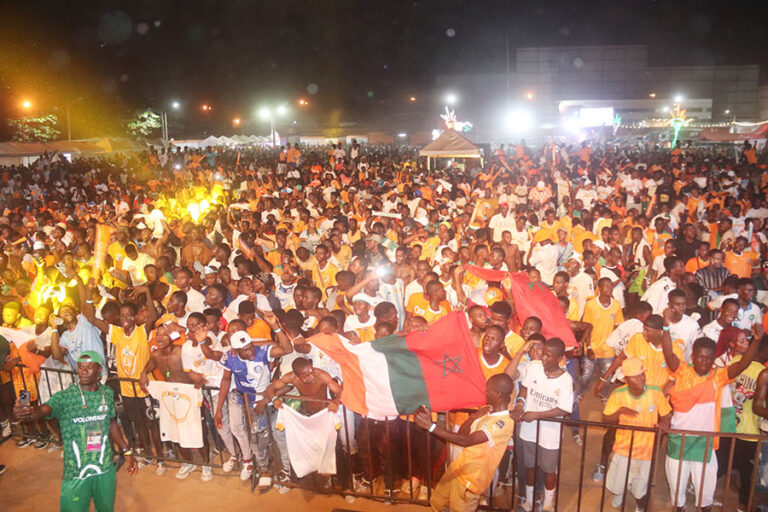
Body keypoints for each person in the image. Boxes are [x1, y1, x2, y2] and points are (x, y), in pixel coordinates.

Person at [13, 351, 137, 511]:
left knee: (106, 508)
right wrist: (26, 413)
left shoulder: (106, 393)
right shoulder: (66, 397)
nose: (83, 371)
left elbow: (111, 421)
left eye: (89, 367)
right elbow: (42, 410)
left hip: (104, 467)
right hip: (76, 472)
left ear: (99, 370)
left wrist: (126, 451)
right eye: (80, 367)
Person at [660, 331, 761, 512]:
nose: (703, 362)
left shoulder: (718, 376)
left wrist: (757, 340)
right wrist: (666, 328)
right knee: (677, 492)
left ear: (713, 358)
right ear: (693, 356)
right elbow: (668, 354)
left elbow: (744, 363)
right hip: (678, 442)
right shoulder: (682, 371)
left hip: (704, 445)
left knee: (705, 495)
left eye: (708, 358)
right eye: (700, 357)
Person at [413, 373, 515, 512]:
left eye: (488, 390)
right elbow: (462, 434)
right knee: (437, 503)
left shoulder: (503, 423)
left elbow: (466, 441)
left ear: (498, 394)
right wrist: (472, 418)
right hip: (458, 469)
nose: (484, 392)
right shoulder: (487, 413)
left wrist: (430, 427)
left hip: (471, 481)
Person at [602, 357, 671, 512]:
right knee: (619, 480)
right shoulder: (618, 394)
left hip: (646, 450)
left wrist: (665, 424)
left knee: (641, 484)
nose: (641, 378)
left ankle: (640, 507)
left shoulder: (655, 392)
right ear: (626, 379)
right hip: (623, 448)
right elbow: (605, 418)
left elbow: (666, 415)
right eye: (635, 376)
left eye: (642, 373)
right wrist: (620, 412)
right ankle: (620, 493)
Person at [512, 337, 573, 512]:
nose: (543, 358)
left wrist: (537, 415)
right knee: (529, 465)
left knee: (548, 469)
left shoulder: (565, 380)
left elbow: (563, 409)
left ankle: (548, 503)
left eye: (548, 356)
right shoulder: (534, 367)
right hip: (529, 429)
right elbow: (525, 387)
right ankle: (529, 501)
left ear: (560, 358)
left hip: (550, 433)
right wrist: (520, 402)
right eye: (543, 354)